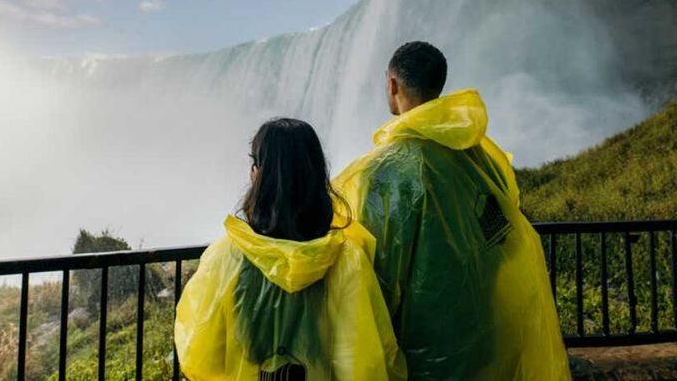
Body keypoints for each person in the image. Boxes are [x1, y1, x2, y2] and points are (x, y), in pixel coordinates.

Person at [334, 41, 571, 380]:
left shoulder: (382, 172)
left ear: (392, 85)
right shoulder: (478, 156)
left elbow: (372, 276)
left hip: (422, 356)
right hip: (487, 340)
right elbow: (506, 236)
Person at [175, 118, 407, 381]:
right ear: (317, 175)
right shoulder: (346, 262)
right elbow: (363, 366)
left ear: (256, 174)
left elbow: (199, 357)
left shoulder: (226, 258)